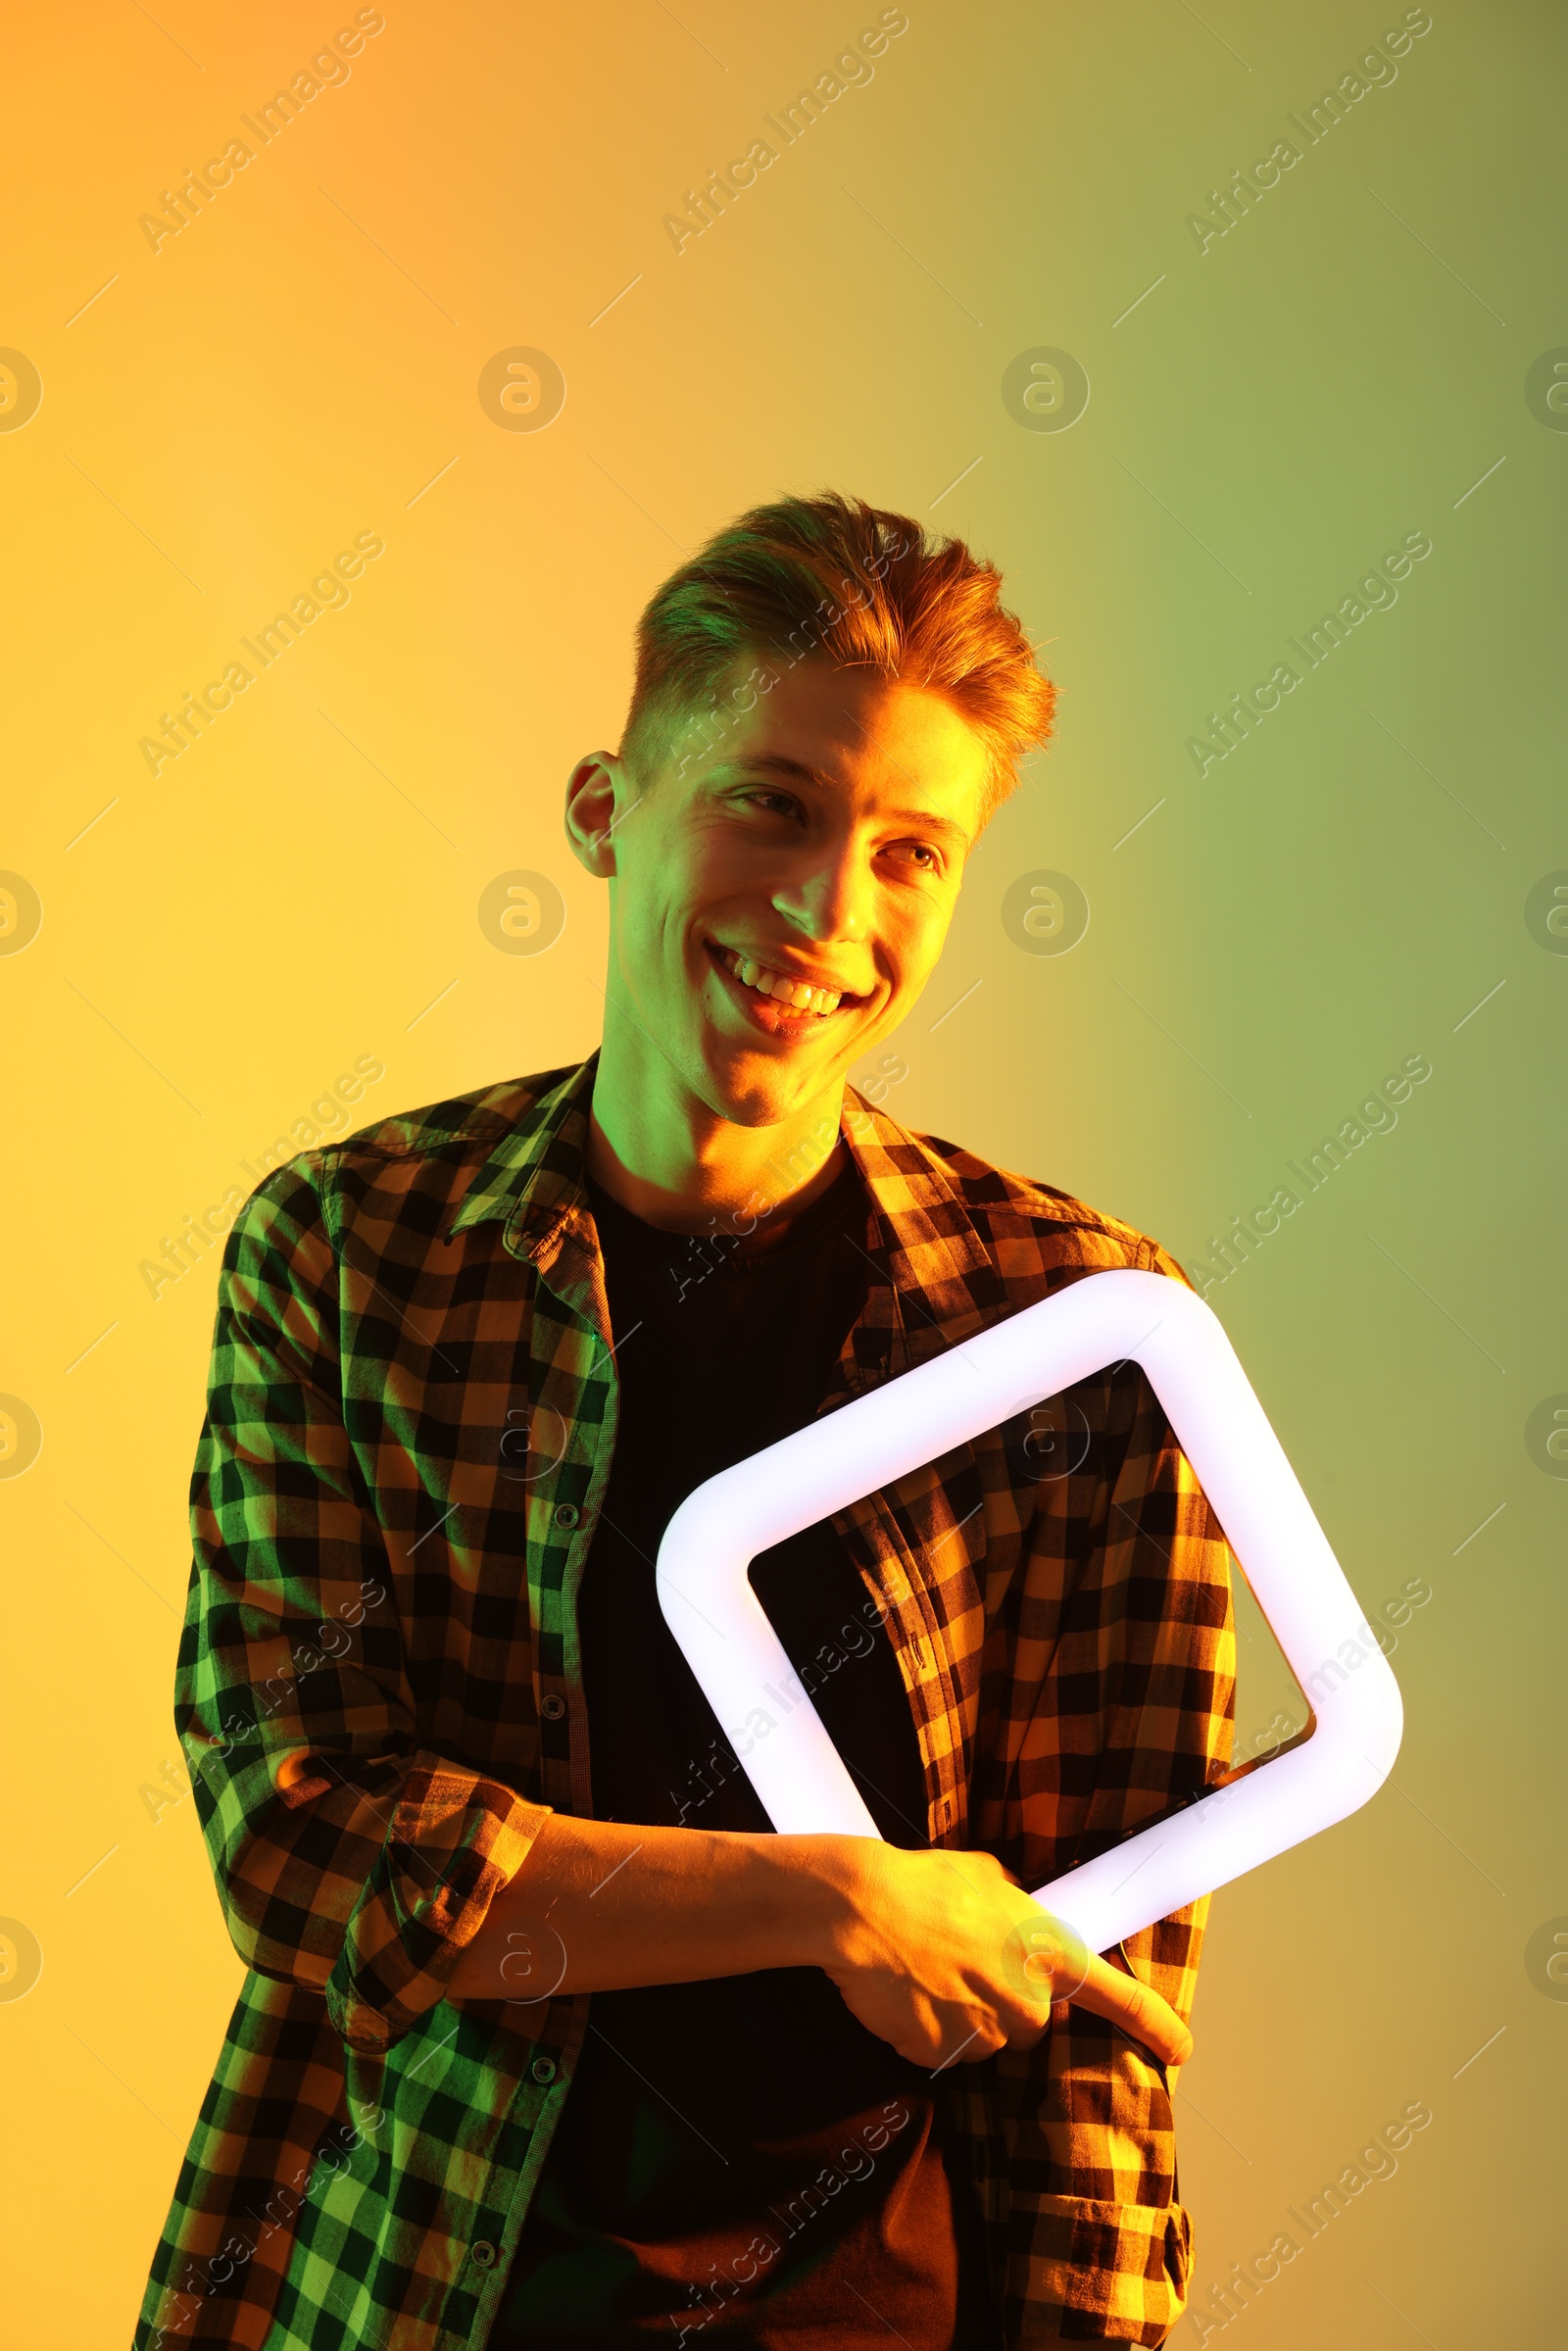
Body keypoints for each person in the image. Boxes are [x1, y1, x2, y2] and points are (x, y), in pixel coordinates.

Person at [135, 493, 1236, 2351]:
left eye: (913, 852)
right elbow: (304, 1844)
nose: (831, 913)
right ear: (605, 810)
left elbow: (1094, 2022)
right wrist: (829, 1903)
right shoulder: (348, 1252)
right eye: (775, 804)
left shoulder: (1078, 1334)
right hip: (421, 2290)